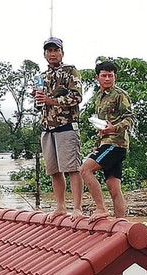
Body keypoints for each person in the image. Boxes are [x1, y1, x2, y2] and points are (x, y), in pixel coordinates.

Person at [34, 37, 84, 221]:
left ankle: (77, 208)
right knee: (54, 170)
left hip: (66, 125)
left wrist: (52, 100)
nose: (52, 54)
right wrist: (38, 99)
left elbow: (77, 97)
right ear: (44, 54)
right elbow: (38, 105)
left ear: (62, 52)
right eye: (49, 51)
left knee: (72, 168)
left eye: (56, 50)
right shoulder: (41, 76)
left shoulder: (70, 71)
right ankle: (60, 207)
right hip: (47, 127)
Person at [80, 60, 135, 222]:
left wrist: (114, 128)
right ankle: (121, 223)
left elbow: (130, 118)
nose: (107, 79)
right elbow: (103, 124)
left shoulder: (120, 95)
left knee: (85, 170)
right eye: (104, 75)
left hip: (115, 144)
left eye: (110, 75)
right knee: (113, 187)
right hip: (105, 142)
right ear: (97, 77)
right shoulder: (98, 97)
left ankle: (101, 208)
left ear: (114, 77)